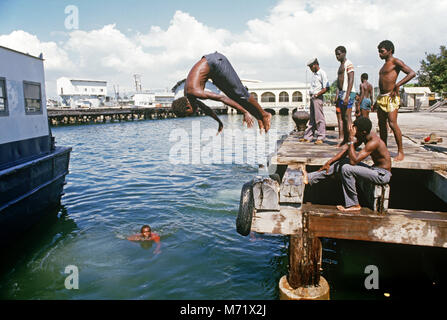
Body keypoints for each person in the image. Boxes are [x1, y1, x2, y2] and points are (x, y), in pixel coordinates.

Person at [302, 117, 392, 212]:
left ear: (363, 132)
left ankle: (354, 204)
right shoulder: (365, 135)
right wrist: (330, 162)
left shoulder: (374, 142)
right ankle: (310, 177)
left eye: (355, 130)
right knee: (343, 162)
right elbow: (346, 152)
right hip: (374, 170)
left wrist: (350, 139)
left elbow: (354, 161)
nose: (353, 132)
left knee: (346, 168)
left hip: (382, 175)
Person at [171, 52, 272, 134]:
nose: (193, 114)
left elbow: (221, 98)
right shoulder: (189, 98)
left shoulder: (194, 92)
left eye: (189, 114)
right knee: (233, 96)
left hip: (217, 62)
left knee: (240, 92)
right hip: (212, 69)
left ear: (188, 108)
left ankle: (264, 115)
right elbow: (206, 109)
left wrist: (245, 112)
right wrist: (219, 122)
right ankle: (258, 116)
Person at [376, 40, 416, 161]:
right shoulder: (384, 65)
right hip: (382, 98)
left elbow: (412, 73)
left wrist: (397, 85)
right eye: (378, 52)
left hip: (391, 97)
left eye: (382, 51)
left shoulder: (395, 61)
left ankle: (400, 152)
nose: (379, 54)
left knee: (392, 123)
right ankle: (384, 150)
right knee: (382, 125)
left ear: (390, 51)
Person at [300, 58, 330, 144]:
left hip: (318, 97)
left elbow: (326, 88)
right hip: (313, 97)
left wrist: (318, 94)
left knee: (319, 118)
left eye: (310, 67)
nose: (310, 69)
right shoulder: (314, 74)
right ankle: (308, 136)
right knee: (312, 118)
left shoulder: (322, 73)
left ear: (314, 65)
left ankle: (321, 137)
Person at [335, 46, 356, 147]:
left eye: (339, 54)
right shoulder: (340, 66)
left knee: (348, 117)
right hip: (341, 93)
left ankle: (351, 141)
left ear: (344, 53)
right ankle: (345, 139)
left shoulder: (349, 64)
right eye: (336, 55)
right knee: (343, 117)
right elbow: (339, 81)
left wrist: (347, 96)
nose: (337, 56)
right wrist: (337, 95)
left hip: (349, 93)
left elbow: (351, 79)